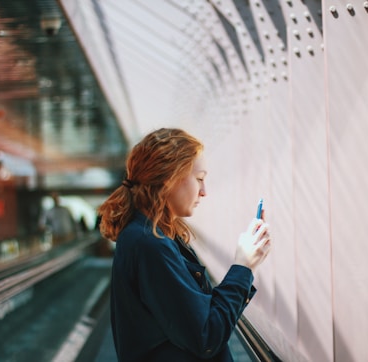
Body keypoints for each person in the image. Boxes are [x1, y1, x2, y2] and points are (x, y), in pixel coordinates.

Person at [98, 128, 272, 361]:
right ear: (170, 178)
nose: (204, 191)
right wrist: (243, 267)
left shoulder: (150, 236)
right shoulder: (149, 244)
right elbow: (205, 336)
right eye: (199, 179)